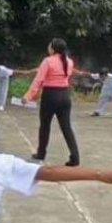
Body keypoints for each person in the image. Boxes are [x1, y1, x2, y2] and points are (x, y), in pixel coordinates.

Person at [23, 39, 80, 167]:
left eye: (49, 45)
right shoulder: (69, 62)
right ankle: (75, 157)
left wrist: (28, 96)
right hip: (65, 95)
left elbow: (38, 80)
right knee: (66, 127)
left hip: (50, 95)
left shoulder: (47, 61)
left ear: (53, 49)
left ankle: (41, 153)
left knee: (45, 125)